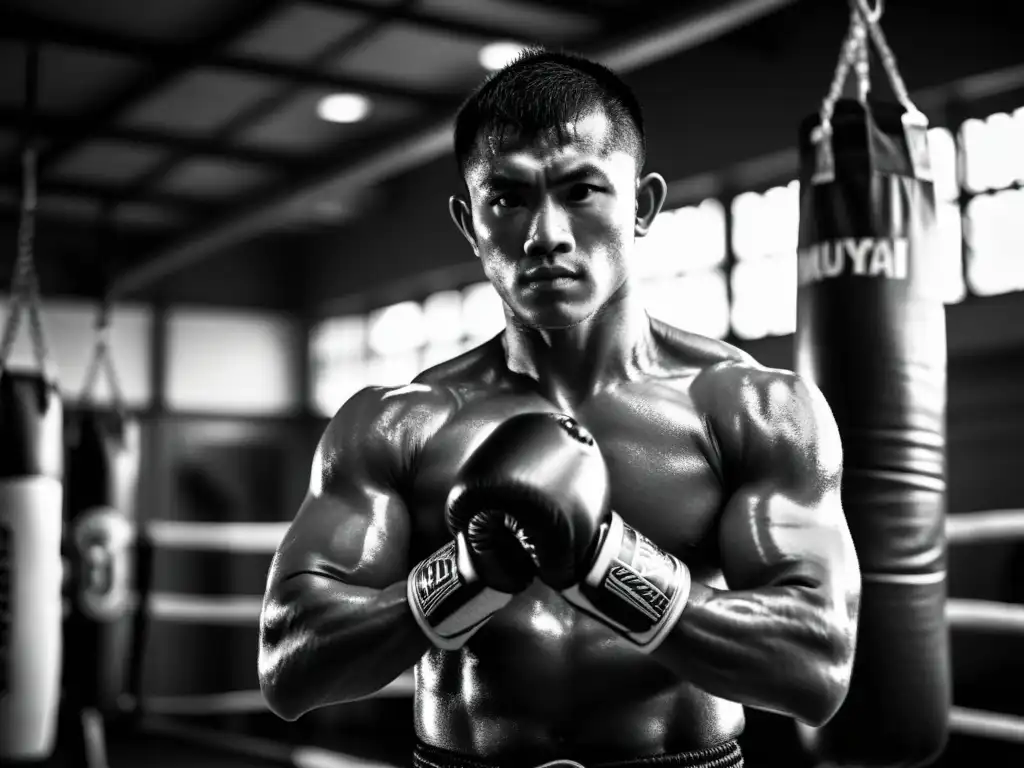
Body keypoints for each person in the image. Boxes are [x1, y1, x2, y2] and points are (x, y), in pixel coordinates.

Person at [258, 48, 861, 768]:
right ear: (468, 223)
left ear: (641, 206)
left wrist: (604, 565)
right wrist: (466, 576)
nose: (545, 234)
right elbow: (288, 664)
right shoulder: (396, 424)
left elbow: (816, 665)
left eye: (580, 191)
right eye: (507, 198)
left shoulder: (754, 409)